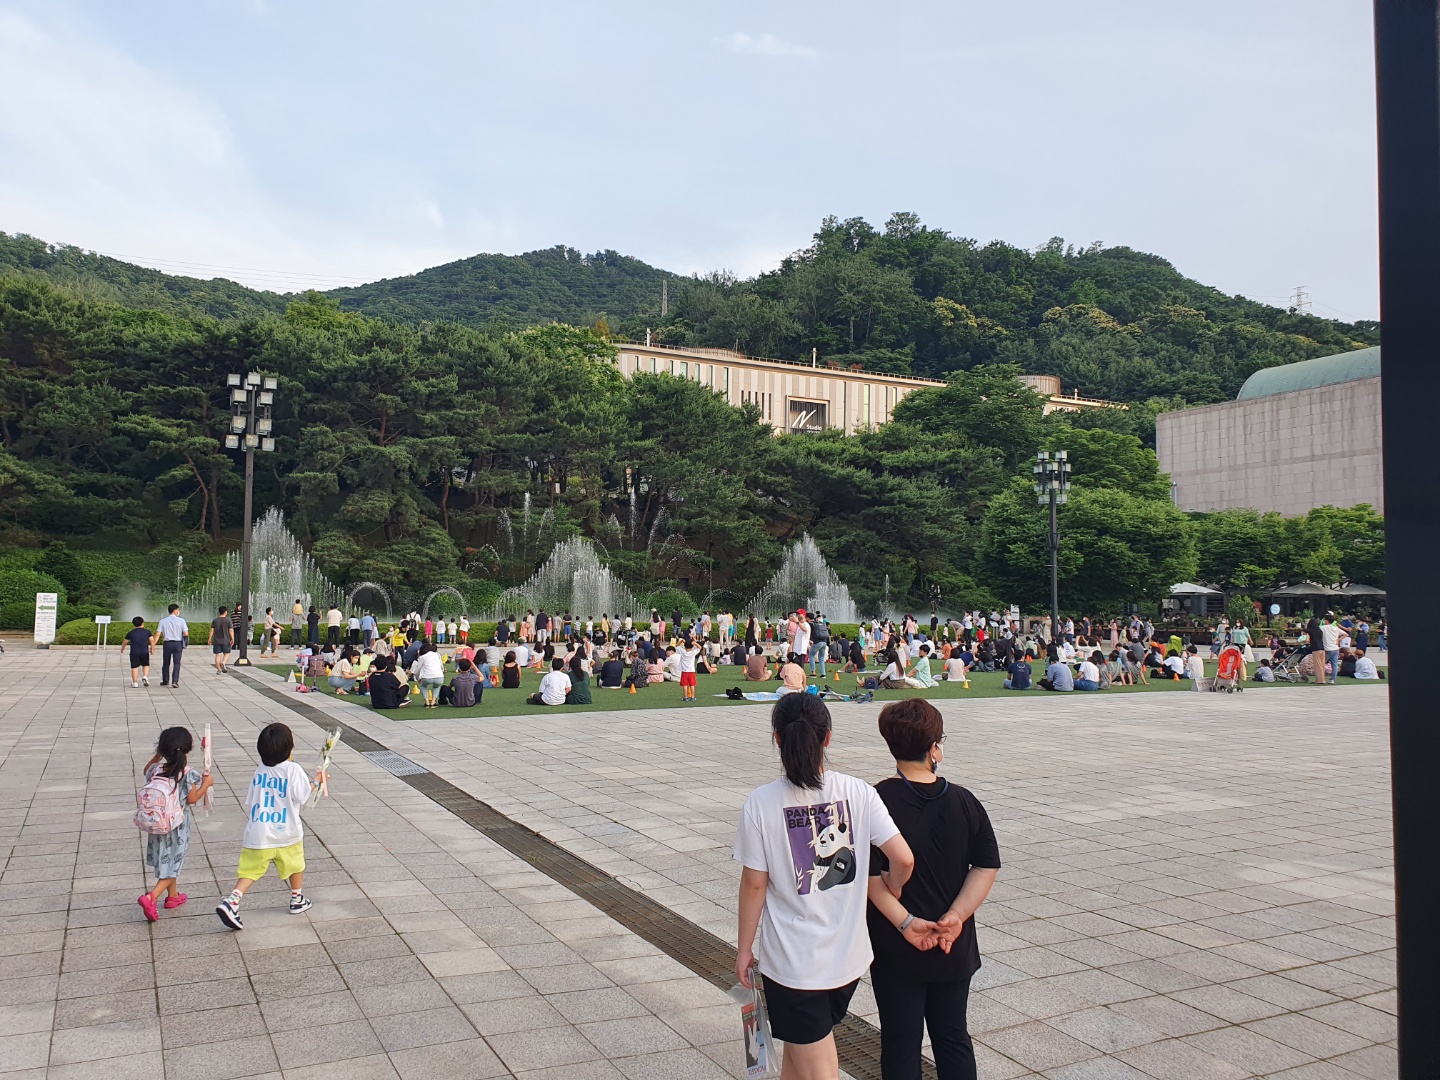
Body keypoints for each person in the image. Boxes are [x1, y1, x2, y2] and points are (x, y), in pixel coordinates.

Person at [734, 694, 915, 1080]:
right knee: (799, 1057)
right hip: (847, 961)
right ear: (827, 738)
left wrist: (744, 949)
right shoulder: (860, 792)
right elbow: (903, 859)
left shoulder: (761, 803)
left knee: (818, 1069)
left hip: (794, 965)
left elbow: (754, 884)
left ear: (778, 739)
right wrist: (892, 885)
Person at [867, 699, 1000, 1079]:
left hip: (895, 944)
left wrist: (906, 921)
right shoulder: (964, 800)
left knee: (900, 1041)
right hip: (951, 942)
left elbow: (866, 875)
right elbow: (986, 865)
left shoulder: (875, 800)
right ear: (934, 747)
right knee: (953, 1036)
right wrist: (956, 916)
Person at [216, 722, 326, 930]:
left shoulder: (260, 771)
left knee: (250, 871)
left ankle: (232, 900)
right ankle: (296, 898)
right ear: (289, 748)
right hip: (287, 831)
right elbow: (302, 795)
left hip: (259, 832)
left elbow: (251, 799)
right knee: (295, 864)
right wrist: (317, 780)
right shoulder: (293, 769)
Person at [136, 726, 214, 921]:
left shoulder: (155, 769)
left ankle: (173, 896)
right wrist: (206, 784)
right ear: (187, 749)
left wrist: (157, 756)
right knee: (174, 862)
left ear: (162, 749)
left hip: (158, 826)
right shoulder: (187, 773)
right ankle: (151, 896)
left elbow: (146, 770)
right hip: (177, 829)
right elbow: (193, 798)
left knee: (168, 859)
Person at [411, 642, 446, 708]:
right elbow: (441, 666)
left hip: (427, 677)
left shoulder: (422, 657)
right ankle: (433, 702)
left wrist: (417, 678)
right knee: (436, 687)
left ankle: (427, 702)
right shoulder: (437, 655)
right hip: (439, 676)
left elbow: (417, 670)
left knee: (423, 686)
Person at [122, 616, 153, 688]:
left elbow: (125, 642)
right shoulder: (147, 632)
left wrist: (122, 649)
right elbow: (152, 640)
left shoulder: (131, 633)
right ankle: (145, 676)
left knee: (134, 667)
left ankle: (135, 682)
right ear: (142, 623)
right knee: (145, 665)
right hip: (144, 651)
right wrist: (152, 648)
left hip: (134, 652)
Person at [208, 606, 233, 675]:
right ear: (225, 612)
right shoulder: (228, 620)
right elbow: (230, 630)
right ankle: (223, 663)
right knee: (227, 653)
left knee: (218, 655)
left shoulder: (215, 620)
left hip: (216, 640)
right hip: (226, 640)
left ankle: (219, 669)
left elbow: (212, 630)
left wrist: (209, 639)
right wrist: (232, 638)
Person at [1321, 613, 1342, 686]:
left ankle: (1321, 678)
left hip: (1328, 648)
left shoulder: (1323, 627)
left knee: (1321, 663)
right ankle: (1332, 679)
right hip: (1335, 648)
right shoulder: (1336, 628)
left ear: (1326, 621)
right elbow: (1346, 634)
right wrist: (1338, 640)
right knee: (1335, 665)